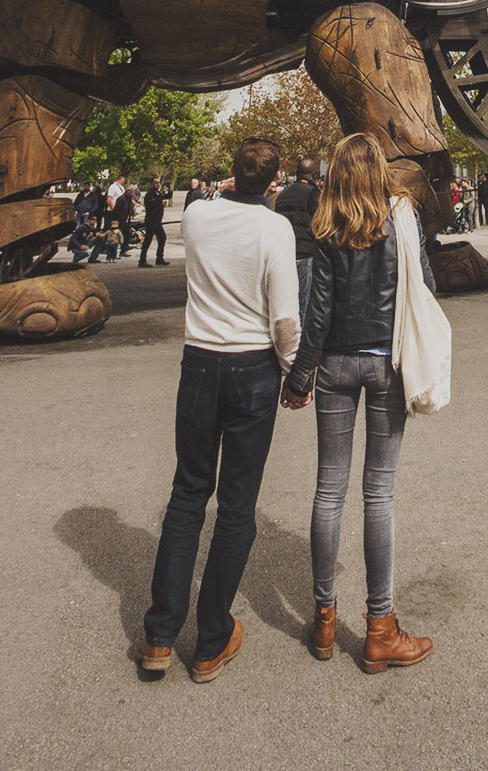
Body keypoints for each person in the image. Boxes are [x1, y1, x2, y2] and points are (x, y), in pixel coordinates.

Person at [136, 137, 301, 682]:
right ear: (273, 183)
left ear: (231, 173)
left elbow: (209, 198)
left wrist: (230, 186)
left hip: (201, 361)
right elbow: (284, 320)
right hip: (252, 365)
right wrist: (293, 370)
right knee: (236, 504)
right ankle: (211, 636)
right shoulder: (275, 229)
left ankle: (160, 634)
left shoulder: (199, 218)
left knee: (188, 493)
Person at [280, 132, 434, 673]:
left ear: (336, 171)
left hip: (337, 365)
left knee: (328, 489)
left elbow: (316, 311)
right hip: (386, 361)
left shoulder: (326, 224)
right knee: (379, 493)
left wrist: (300, 375)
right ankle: (380, 627)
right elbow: (423, 286)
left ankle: (324, 617)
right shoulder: (401, 217)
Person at [273, 157, 320, 322]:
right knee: (305, 303)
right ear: (312, 173)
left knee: (287, 302)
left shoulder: (282, 195)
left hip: (285, 254)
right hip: (306, 253)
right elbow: (319, 223)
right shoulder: (313, 193)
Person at [140, 176, 171, 267]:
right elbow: (153, 203)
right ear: (151, 184)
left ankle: (159, 258)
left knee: (162, 238)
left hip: (157, 221)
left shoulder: (157, 193)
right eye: (156, 182)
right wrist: (161, 195)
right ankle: (142, 260)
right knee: (147, 240)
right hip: (151, 221)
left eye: (159, 183)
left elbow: (168, 196)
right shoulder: (150, 194)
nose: (158, 184)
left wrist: (169, 188)